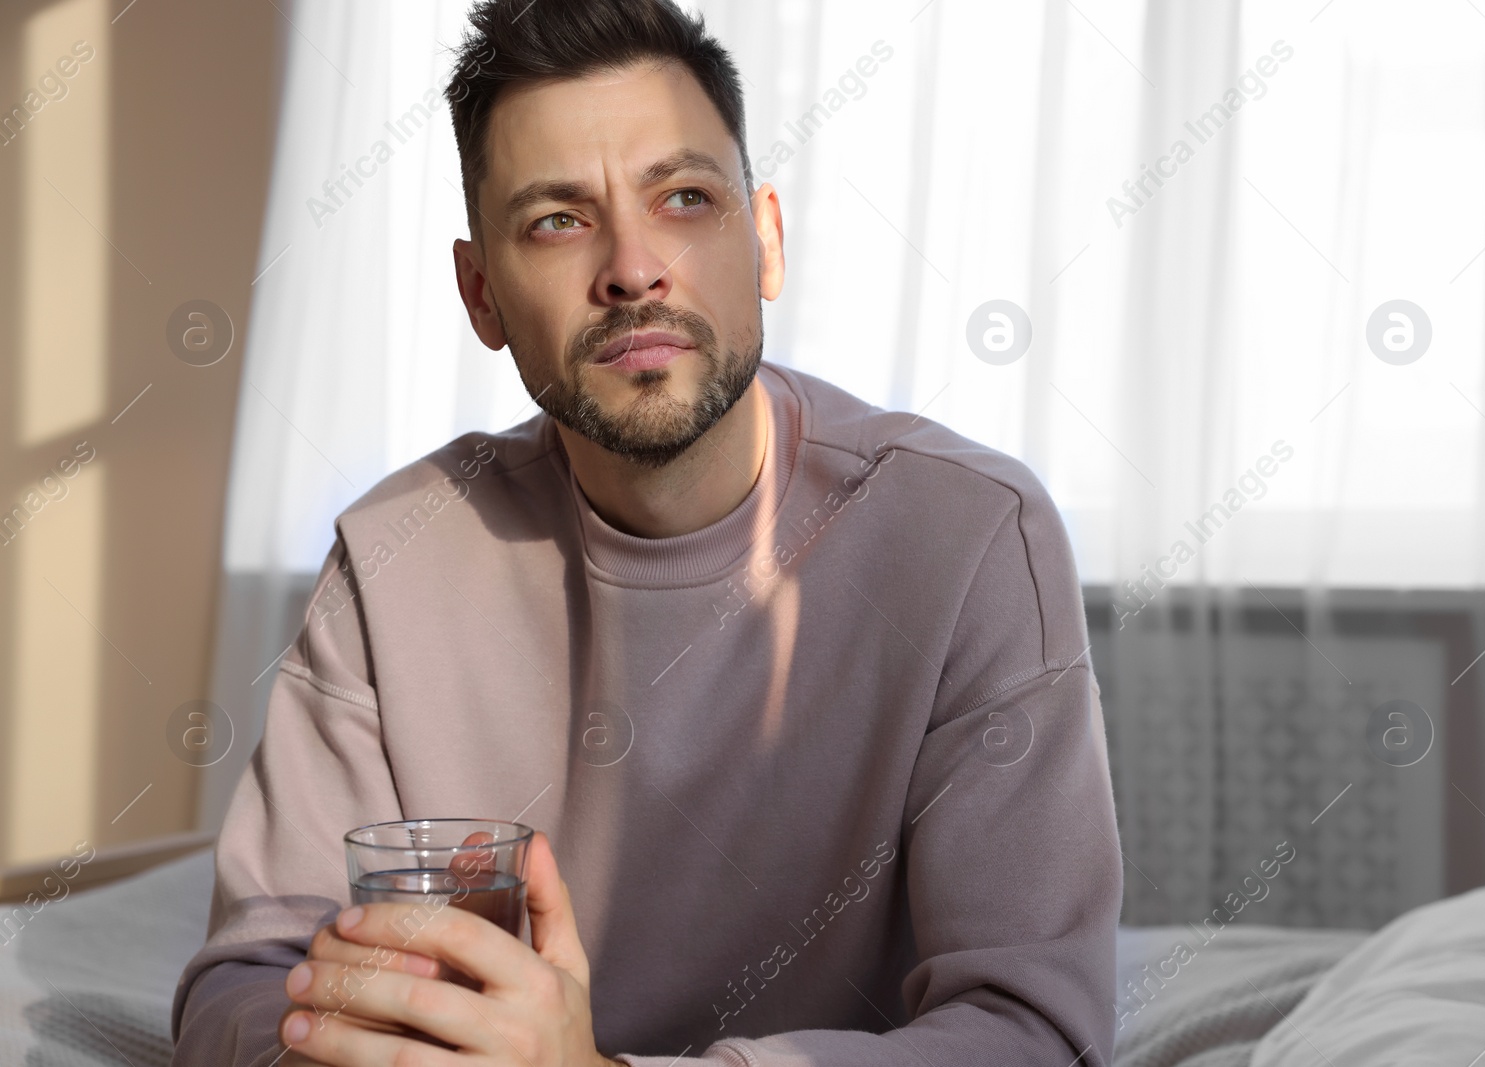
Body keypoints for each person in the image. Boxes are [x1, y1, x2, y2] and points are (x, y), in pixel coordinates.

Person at [170, 0, 1122, 1063]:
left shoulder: (972, 538)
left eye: (682, 197)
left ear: (763, 238)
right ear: (480, 292)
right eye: (557, 220)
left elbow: (1035, 1033)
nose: (632, 267)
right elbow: (245, 981)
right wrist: (328, 1046)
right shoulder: (394, 555)